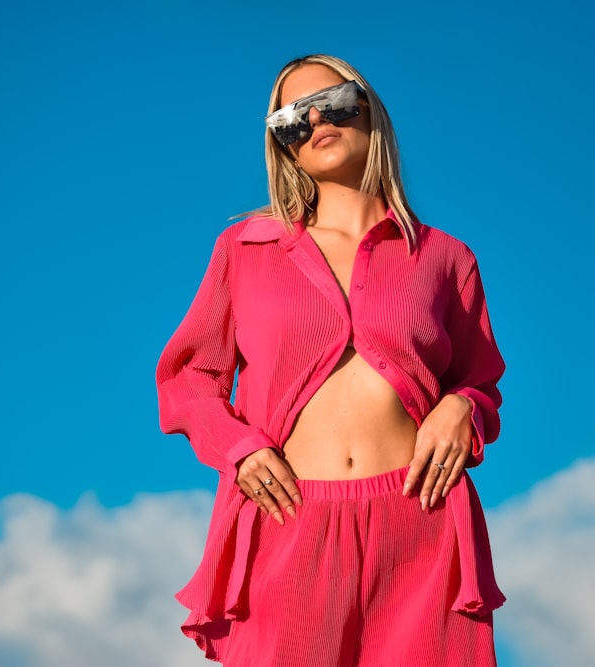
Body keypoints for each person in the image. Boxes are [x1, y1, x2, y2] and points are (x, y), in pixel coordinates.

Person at [156, 53, 506, 666]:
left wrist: (462, 407)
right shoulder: (245, 250)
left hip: (421, 524)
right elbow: (190, 379)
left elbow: (480, 381)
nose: (315, 120)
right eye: (292, 119)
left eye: (335, 101)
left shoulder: (445, 259)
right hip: (287, 519)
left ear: (370, 111)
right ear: (283, 146)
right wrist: (239, 449)